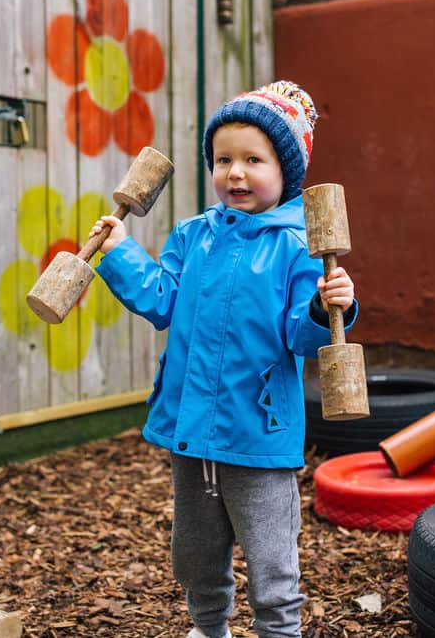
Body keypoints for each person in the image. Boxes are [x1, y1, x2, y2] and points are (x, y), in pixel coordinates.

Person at [89, 80, 358, 638]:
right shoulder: (193, 237)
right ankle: (208, 629)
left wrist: (325, 306)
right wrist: (119, 254)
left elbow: (302, 338)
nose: (235, 172)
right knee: (194, 555)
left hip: (257, 431)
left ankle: (278, 630)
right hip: (191, 429)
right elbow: (162, 302)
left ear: (286, 172)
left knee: (271, 564)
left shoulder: (299, 246)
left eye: (253, 159)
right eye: (223, 159)